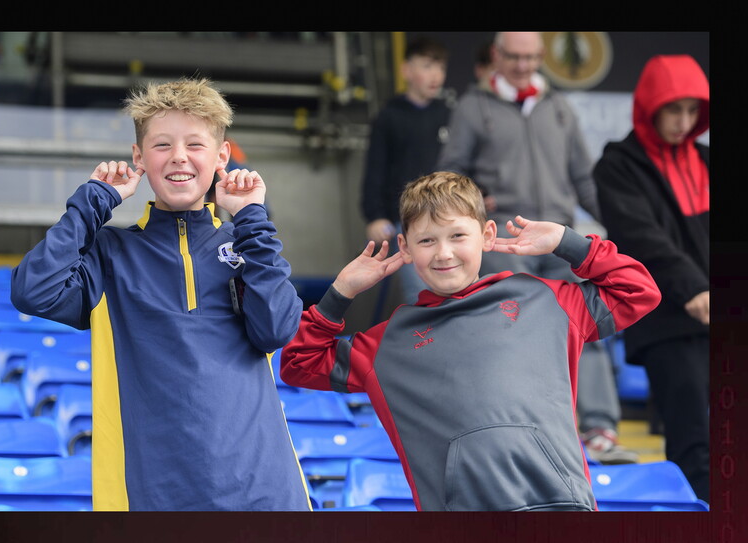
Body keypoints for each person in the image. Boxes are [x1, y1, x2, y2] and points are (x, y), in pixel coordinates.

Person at [10, 78, 311, 511]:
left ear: (222, 156)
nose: (179, 157)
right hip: (153, 496)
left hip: (265, 494)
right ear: (138, 157)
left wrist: (253, 220)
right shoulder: (110, 253)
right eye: (162, 145)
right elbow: (32, 291)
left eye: (195, 144)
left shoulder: (248, 244)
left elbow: (277, 330)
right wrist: (93, 201)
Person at [280, 172, 660, 511]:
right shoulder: (386, 344)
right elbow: (298, 364)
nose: (444, 253)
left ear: (488, 235)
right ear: (406, 248)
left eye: (458, 236)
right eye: (427, 240)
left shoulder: (545, 299)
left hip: (563, 508)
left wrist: (567, 241)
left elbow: (639, 292)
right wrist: (341, 292)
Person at [436, 31, 635, 464]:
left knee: (591, 327)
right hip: (502, 245)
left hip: (559, 240)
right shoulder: (474, 106)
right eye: (515, 57)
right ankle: (508, 428)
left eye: (531, 58)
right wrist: (472, 198)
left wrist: (625, 225)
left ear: (542, 56)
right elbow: (449, 174)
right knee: (500, 335)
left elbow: (584, 179)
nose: (524, 66)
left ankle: (599, 428)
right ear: (496, 55)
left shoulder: (559, 107)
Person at [592, 54, 710, 501]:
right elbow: (643, 238)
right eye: (673, 109)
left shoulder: (705, 159)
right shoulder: (618, 165)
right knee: (692, 441)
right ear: (650, 106)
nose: (683, 121)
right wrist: (694, 288)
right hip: (669, 321)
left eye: (692, 110)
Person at [360, 35, 451, 305]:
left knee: (455, 291)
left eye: (441, 68)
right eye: (427, 66)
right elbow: (374, 171)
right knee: (421, 295)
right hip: (405, 219)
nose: (436, 75)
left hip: (448, 215)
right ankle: (423, 344)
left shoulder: (449, 114)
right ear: (406, 71)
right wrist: (374, 216)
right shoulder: (389, 117)